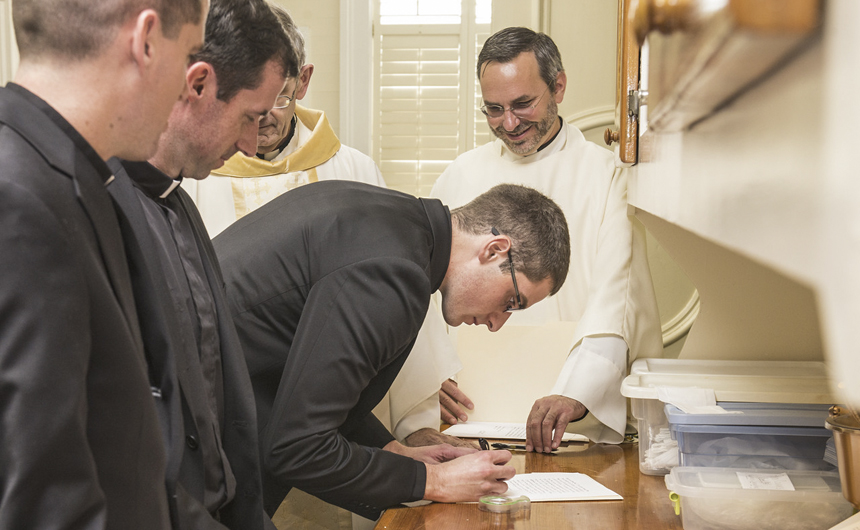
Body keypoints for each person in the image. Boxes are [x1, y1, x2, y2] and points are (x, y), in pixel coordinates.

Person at [212, 181, 570, 520]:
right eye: (511, 301)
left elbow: (311, 383)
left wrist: (393, 451)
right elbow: (298, 448)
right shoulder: (395, 272)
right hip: (199, 453)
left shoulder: (391, 222)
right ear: (494, 250)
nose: (497, 324)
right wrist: (435, 481)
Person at [400, 26, 663, 452]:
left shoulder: (606, 175)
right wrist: (426, 377)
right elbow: (421, 294)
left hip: (567, 420)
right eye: (494, 109)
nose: (509, 123)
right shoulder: (459, 175)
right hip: (468, 418)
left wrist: (576, 393)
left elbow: (616, 298)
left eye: (523, 104)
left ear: (558, 86)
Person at [0, 0, 207, 528]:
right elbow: (46, 505)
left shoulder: (80, 175)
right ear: (146, 40)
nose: (188, 90)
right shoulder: (19, 197)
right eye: (189, 55)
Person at [104, 0, 292, 527]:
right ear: (199, 84)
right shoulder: (102, 207)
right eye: (250, 117)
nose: (251, 144)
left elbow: (215, 400)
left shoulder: (180, 204)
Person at [184, 5, 385, 237]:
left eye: (278, 95)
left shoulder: (356, 172)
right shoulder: (194, 175)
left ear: (303, 81)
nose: (262, 116)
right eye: (248, 99)